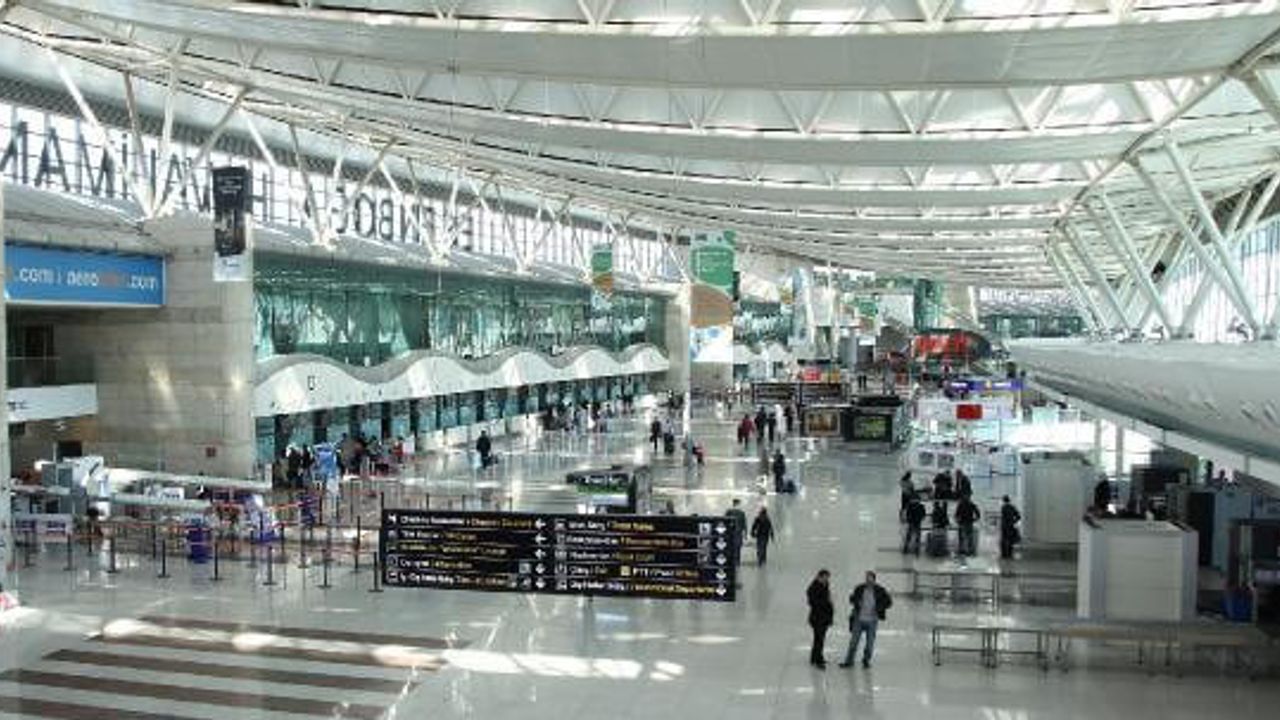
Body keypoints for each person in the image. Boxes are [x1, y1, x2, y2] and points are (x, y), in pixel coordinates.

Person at [839, 571, 893, 669]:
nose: (868, 581)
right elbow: (852, 599)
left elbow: (889, 602)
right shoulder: (859, 588)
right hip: (859, 619)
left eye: (870, 579)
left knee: (869, 644)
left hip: (872, 621)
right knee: (853, 642)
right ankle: (849, 661)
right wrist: (856, 601)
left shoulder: (880, 590)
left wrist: (879, 607)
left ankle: (866, 660)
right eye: (867, 579)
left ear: (874, 580)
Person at [806, 569, 834, 669]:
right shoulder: (813, 588)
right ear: (819, 576)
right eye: (825, 577)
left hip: (824, 617)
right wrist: (826, 602)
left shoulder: (825, 585)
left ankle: (815, 657)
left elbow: (828, 600)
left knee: (819, 639)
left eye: (827, 578)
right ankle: (818, 659)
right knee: (819, 639)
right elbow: (812, 602)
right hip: (817, 618)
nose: (826, 579)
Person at [726, 499, 748, 572]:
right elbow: (744, 524)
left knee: (731, 547)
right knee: (738, 548)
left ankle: (732, 561)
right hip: (738, 533)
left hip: (730, 533)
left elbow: (725, 522)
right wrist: (745, 534)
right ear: (738, 504)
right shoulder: (742, 513)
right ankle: (737, 562)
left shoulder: (729, 512)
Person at [999, 495, 1022, 560]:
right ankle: (1009, 554)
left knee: (1004, 540)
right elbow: (1018, 516)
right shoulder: (1012, 507)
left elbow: (1004, 517)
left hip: (1004, 526)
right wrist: (1014, 521)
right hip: (1011, 526)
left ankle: (1004, 554)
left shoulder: (1003, 507)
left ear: (1003, 500)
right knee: (1010, 540)